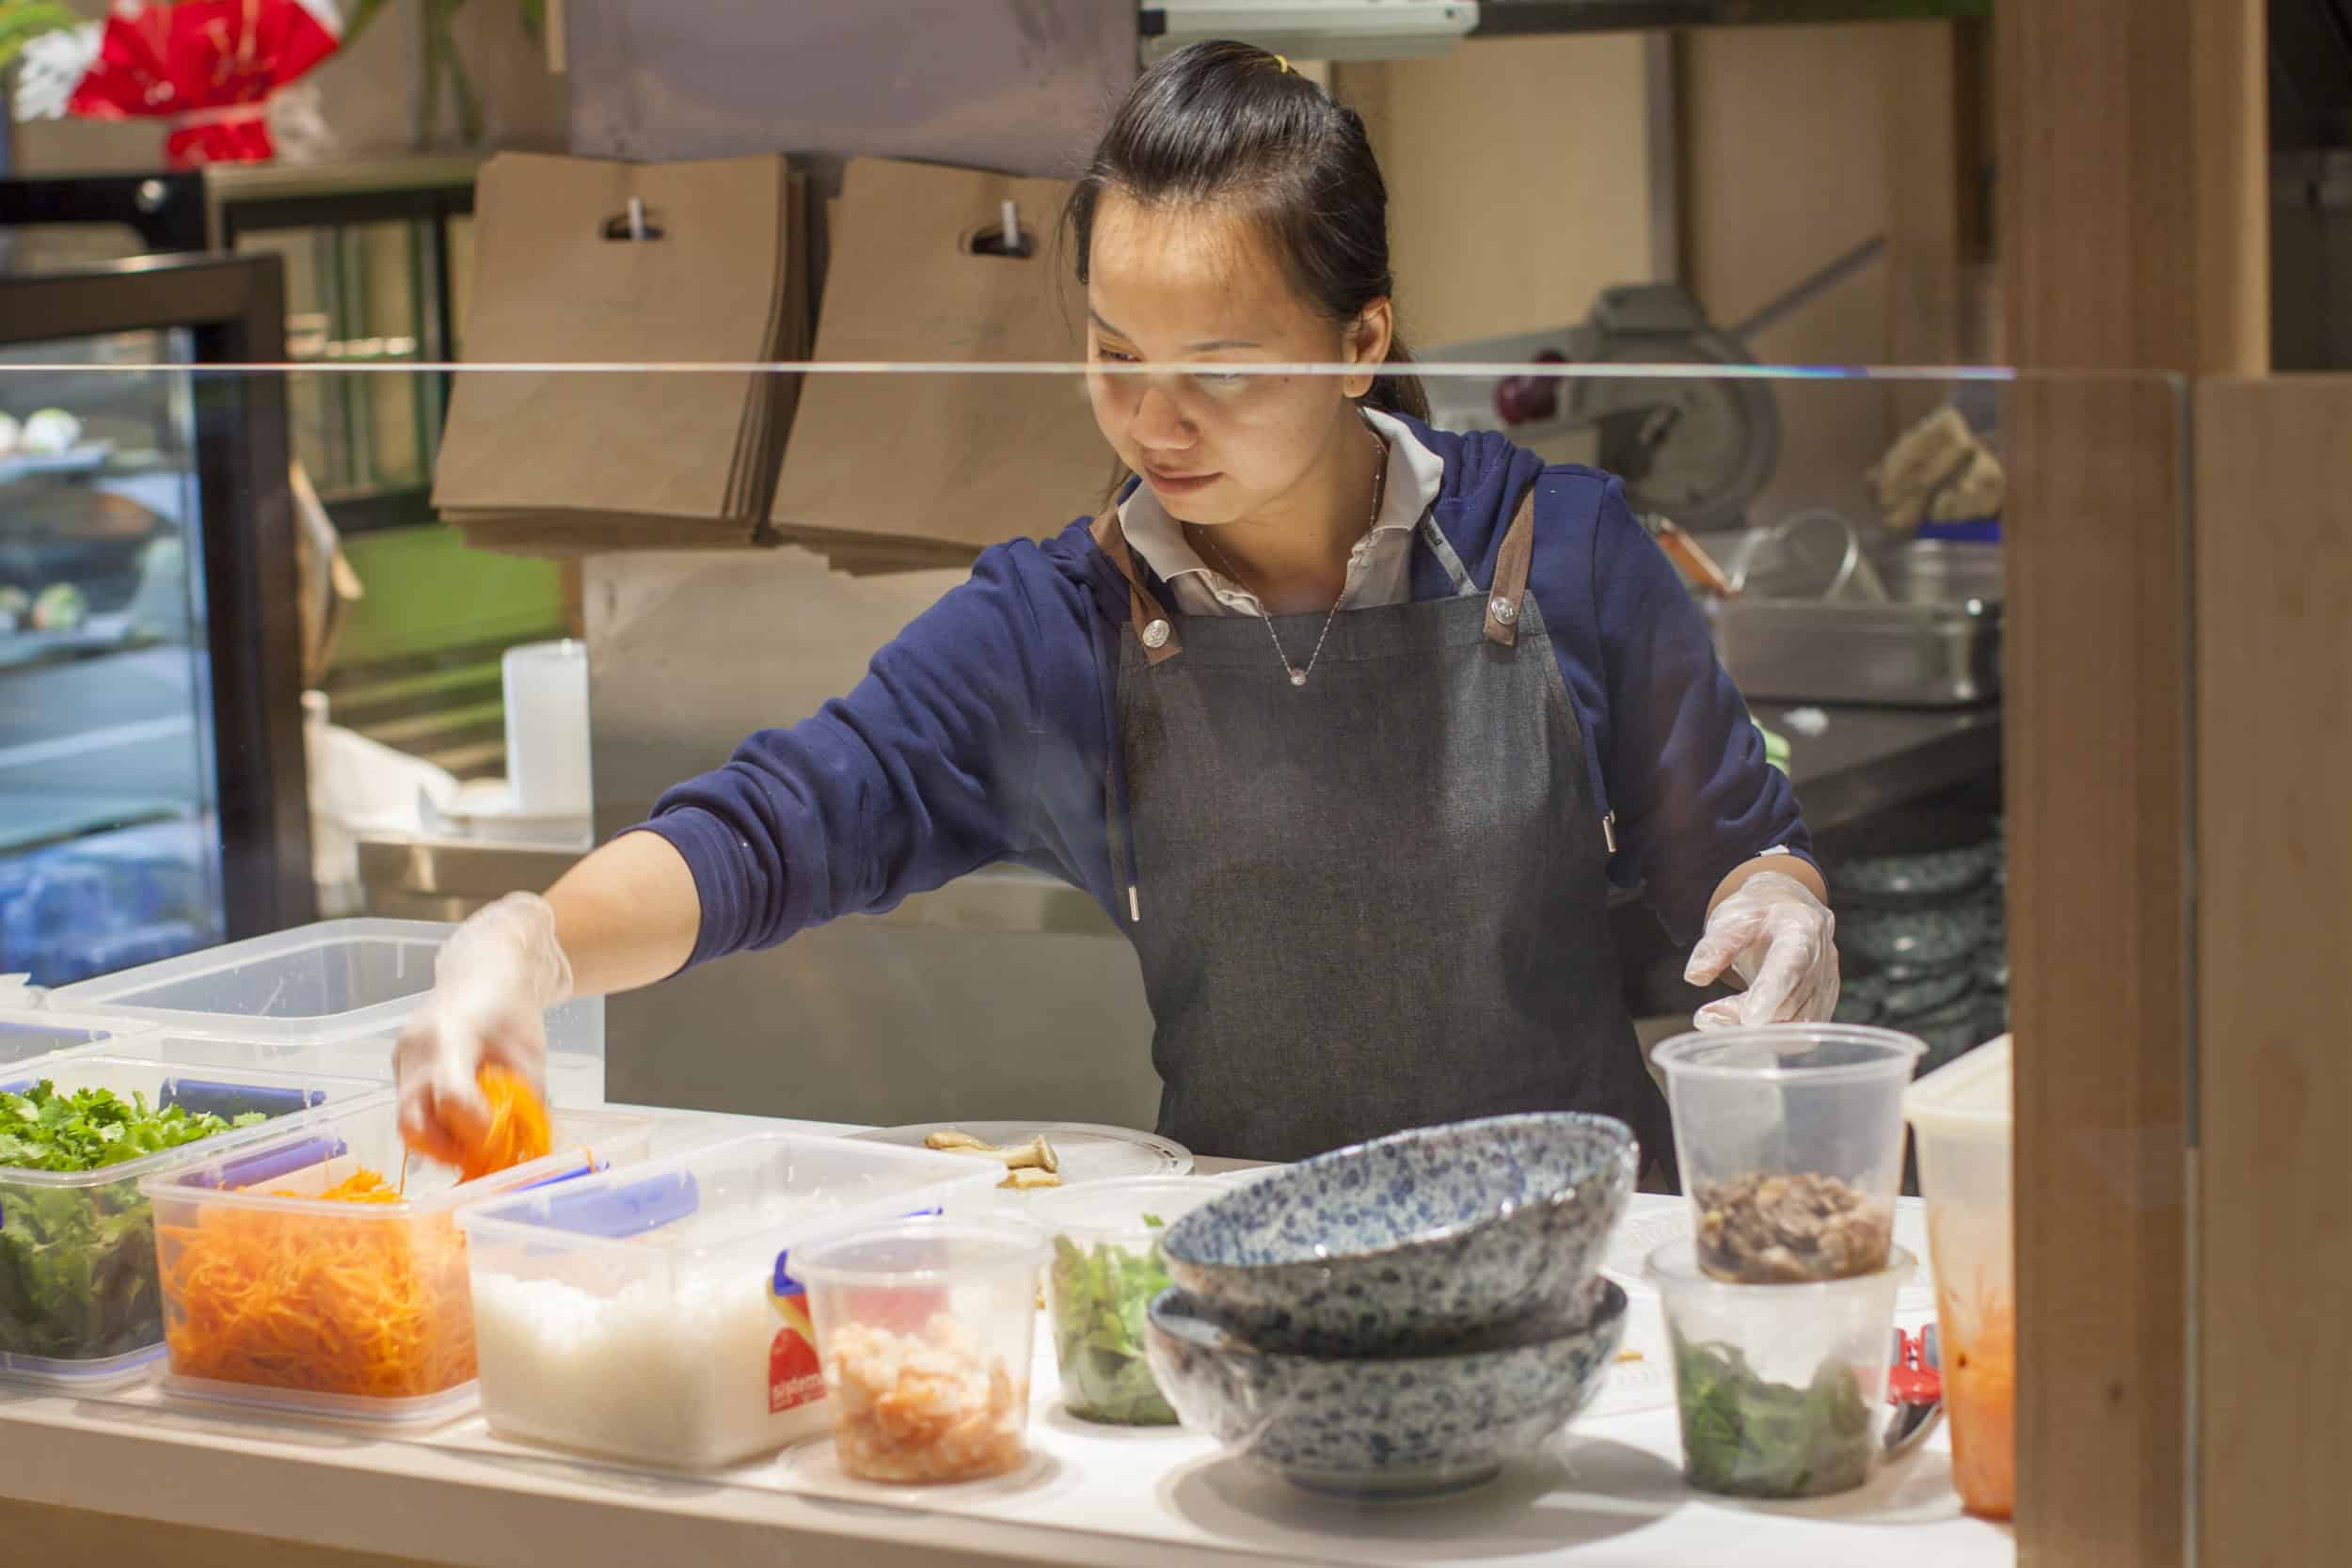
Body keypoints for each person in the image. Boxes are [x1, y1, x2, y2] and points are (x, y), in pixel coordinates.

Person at [395, 41, 1838, 1174]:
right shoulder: (1061, 622)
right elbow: (780, 824)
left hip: (1582, 1248)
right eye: (1112, 354)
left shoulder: (1558, 545)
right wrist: (530, 945)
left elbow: (1732, 843)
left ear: (1360, 345)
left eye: (1221, 365)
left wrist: (1778, 909)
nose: (1156, 418)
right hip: (1251, 1269)